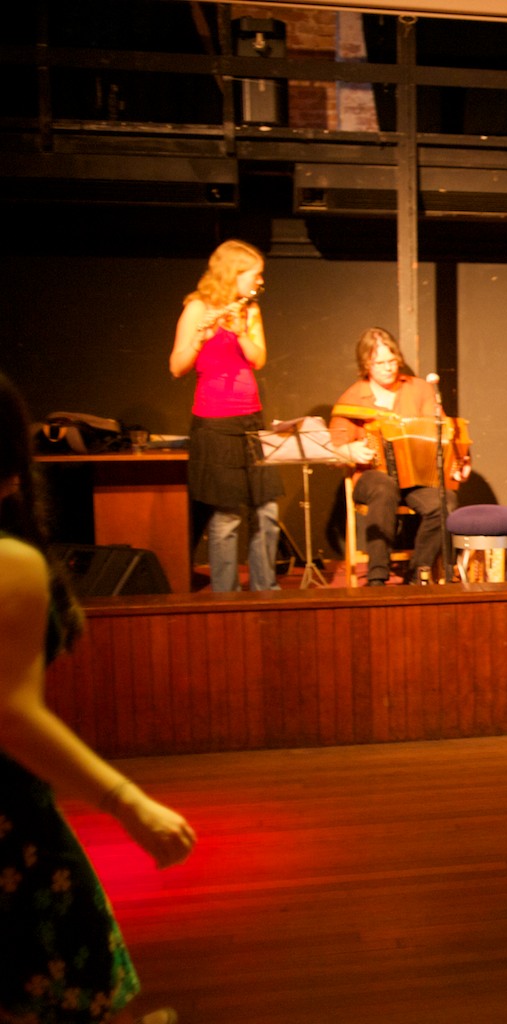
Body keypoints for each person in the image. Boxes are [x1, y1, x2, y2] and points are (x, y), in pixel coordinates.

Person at [0, 372, 196, 1024]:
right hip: (10, 817)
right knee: (63, 964)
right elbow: (10, 715)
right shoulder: (11, 562)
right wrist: (127, 803)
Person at [169, 239, 283, 592]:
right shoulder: (196, 307)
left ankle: (265, 590)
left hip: (250, 420)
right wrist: (201, 337)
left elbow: (258, 359)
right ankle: (226, 596)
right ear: (233, 273)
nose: (260, 281)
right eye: (255, 275)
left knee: (267, 510)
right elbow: (177, 366)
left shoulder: (250, 311)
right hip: (215, 423)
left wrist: (239, 332)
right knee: (227, 515)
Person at [330, 327, 469, 586]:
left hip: (416, 479)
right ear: (366, 364)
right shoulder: (353, 397)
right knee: (384, 487)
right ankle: (377, 575)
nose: (388, 368)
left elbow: (443, 431)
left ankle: (419, 573)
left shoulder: (419, 389)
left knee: (445, 501)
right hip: (372, 477)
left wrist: (460, 461)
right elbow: (332, 448)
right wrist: (348, 451)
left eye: (392, 361)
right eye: (379, 363)